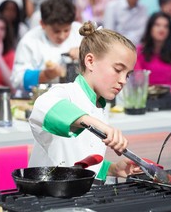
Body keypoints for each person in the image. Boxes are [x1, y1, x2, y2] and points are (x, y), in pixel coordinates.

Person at [28, 21, 140, 181]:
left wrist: (112, 169)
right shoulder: (65, 93)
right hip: (46, 198)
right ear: (90, 61)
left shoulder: (99, 107)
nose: (123, 80)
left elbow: (77, 165)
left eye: (127, 74)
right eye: (118, 70)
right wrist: (97, 125)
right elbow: (42, 107)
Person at [11, 0, 82, 92]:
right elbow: (17, 80)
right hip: (41, 99)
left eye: (66, 30)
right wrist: (45, 75)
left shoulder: (80, 33)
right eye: (56, 31)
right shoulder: (29, 42)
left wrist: (83, 53)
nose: (62, 36)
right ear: (42, 24)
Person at [135, 12, 171, 93]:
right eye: (157, 25)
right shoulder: (139, 51)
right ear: (150, 28)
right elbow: (137, 79)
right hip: (146, 96)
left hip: (170, 97)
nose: (162, 29)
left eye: (166, 26)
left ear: (169, 31)